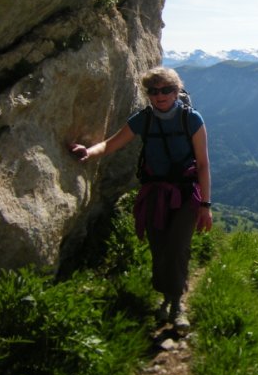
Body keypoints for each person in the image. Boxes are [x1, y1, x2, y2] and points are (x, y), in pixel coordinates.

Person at [70, 66, 212, 331]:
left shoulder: (192, 119)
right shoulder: (143, 120)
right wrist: (87, 153)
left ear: (177, 90)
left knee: (177, 247)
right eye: (154, 91)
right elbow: (111, 144)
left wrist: (205, 205)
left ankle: (176, 305)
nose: (160, 96)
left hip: (185, 195)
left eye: (167, 90)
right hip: (156, 193)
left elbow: (203, 164)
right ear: (148, 94)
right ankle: (167, 297)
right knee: (159, 249)